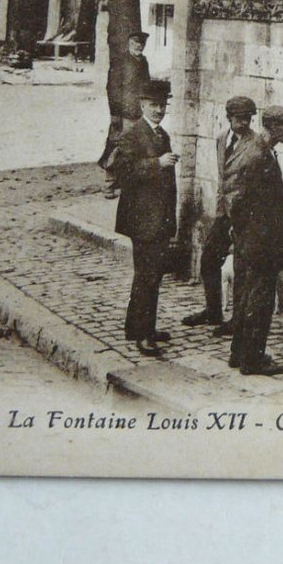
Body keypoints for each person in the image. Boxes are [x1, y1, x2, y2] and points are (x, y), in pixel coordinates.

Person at [225, 105, 283, 376]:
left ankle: (239, 352)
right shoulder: (258, 154)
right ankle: (252, 360)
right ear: (275, 127)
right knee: (259, 299)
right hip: (260, 242)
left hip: (251, 240)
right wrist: (252, 234)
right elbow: (238, 197)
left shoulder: (254, 147)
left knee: (246, 296)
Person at [109, 78, 180, 357]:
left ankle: (135, 326)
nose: (159, 110)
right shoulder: (133, 135)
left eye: (162, 105)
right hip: (142, 220)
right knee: (147, 277)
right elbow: (123, 172)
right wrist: (156, 164)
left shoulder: (162, 135)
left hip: (158, 219)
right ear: (142, 105)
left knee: (149, 275)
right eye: (153, 105)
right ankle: (145, 335)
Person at [185, 95, 257, 332]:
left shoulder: (255, 145)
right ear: (229, 118)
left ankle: (237, 321)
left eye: (247, 118)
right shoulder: (221, 140)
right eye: (239, 119)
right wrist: (219, 213)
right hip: (223, 214)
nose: (244, 123)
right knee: (208, 261)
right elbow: (222, 179)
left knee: (240, 268)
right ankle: (213, 311)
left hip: (243, 216)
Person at [98, 31, 154, 198]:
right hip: (123, 113)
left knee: (136, 147)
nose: (139, 46)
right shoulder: (120, 61)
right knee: (117, 146)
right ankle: (109, 185)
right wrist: (114, 114)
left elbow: (146, 84)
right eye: (136, 42)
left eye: (142, 43)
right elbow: (112, 89)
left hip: (139, 112)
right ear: (130, 42)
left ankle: (130, 184)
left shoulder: (143, 62)